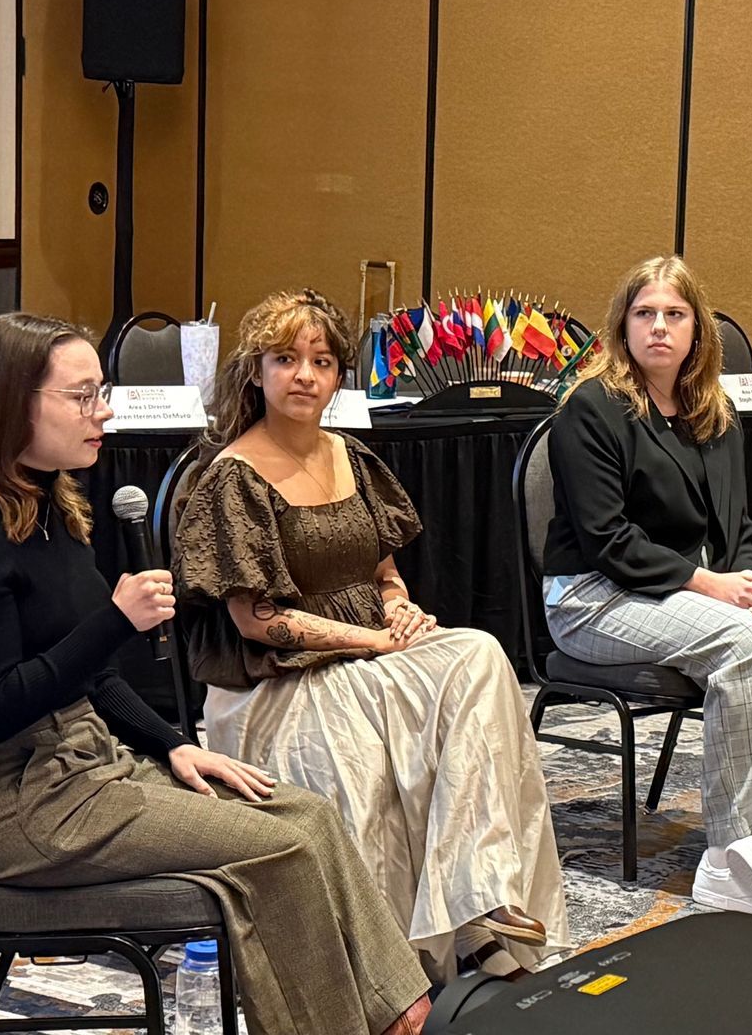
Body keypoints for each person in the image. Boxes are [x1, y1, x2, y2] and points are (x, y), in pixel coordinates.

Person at [0, 313, 430, 1035]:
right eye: (83, 397)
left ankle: (400, 1010)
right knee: (280, 847)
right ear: (11, 404)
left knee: (307, 814)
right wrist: (116, 622)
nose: (105, 411)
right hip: (13, 803)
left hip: (81, 764)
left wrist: (172, 743)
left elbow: (88, 682)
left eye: (103, 391)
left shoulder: (47, 504)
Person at [173, 289, 566, 979]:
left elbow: (383, 572)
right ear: (255, 371)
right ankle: (399, 962)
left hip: (368, 653)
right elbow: (258, 620)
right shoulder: (230, 477)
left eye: (322, 361)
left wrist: (398, 608)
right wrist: (372, 643)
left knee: (478, 652)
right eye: (286, 359)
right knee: (361, 743)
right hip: (278, 679)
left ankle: (477, 898)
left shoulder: (352, 456)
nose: (305, 375)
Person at [541, 255, 752, 929]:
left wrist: (745, 583)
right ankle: (732, 852)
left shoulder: (714, 411)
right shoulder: (591, 408)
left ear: (696, 330)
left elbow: (734, 525)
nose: (659, 327)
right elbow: (606, 539)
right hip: (593, 596)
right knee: (747, 646)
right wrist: (714, 586)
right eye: (645, 313)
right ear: (623, 326)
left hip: (685, 590)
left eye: (674, 315)